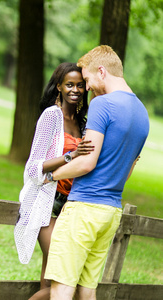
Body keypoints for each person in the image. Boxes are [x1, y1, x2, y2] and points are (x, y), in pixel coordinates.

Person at [43, 45, 150, 300]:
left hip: (84, 209)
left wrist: (49, 176)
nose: (86, 88)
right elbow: (127, 172)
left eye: (88, 79)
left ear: (101, 71)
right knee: (88, 291)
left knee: (61, 289)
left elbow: (86, 163)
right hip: (110, 212)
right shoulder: (143, 114)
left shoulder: (103, 104)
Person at [14, 62, 93, 300]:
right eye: (69, 84)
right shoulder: (51, 116)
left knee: (51, 280)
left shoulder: (82, 122)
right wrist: (71, 155)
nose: (75, 90)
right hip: (46, 203)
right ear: (58, 86)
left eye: (80, 85)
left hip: (71, 207)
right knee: (64, 278)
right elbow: (32, 167)